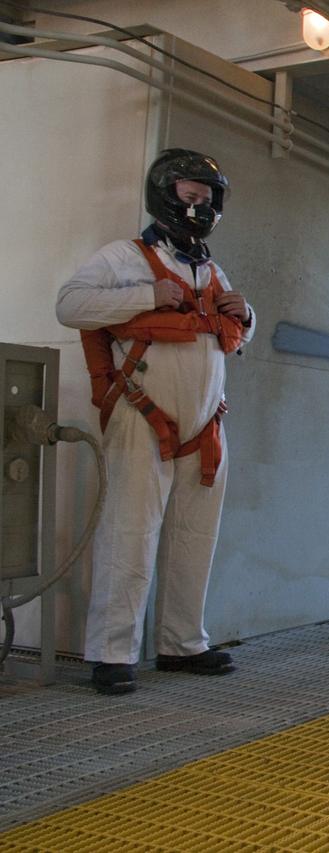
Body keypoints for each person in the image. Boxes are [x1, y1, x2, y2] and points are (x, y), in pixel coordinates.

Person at [56, 148, 254, 695]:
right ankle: (112, 652)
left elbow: (231, 335)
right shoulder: (125, 258)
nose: (199, 208)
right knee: (129, 533)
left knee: (196, 536)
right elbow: (70, 306)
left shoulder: (211, 269)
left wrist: (247, 315)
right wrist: (146, 294)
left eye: (207, 200)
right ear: (166, 195)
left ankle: (182, 643)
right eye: (190, 197)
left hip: (206, 425)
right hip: (143, 414)